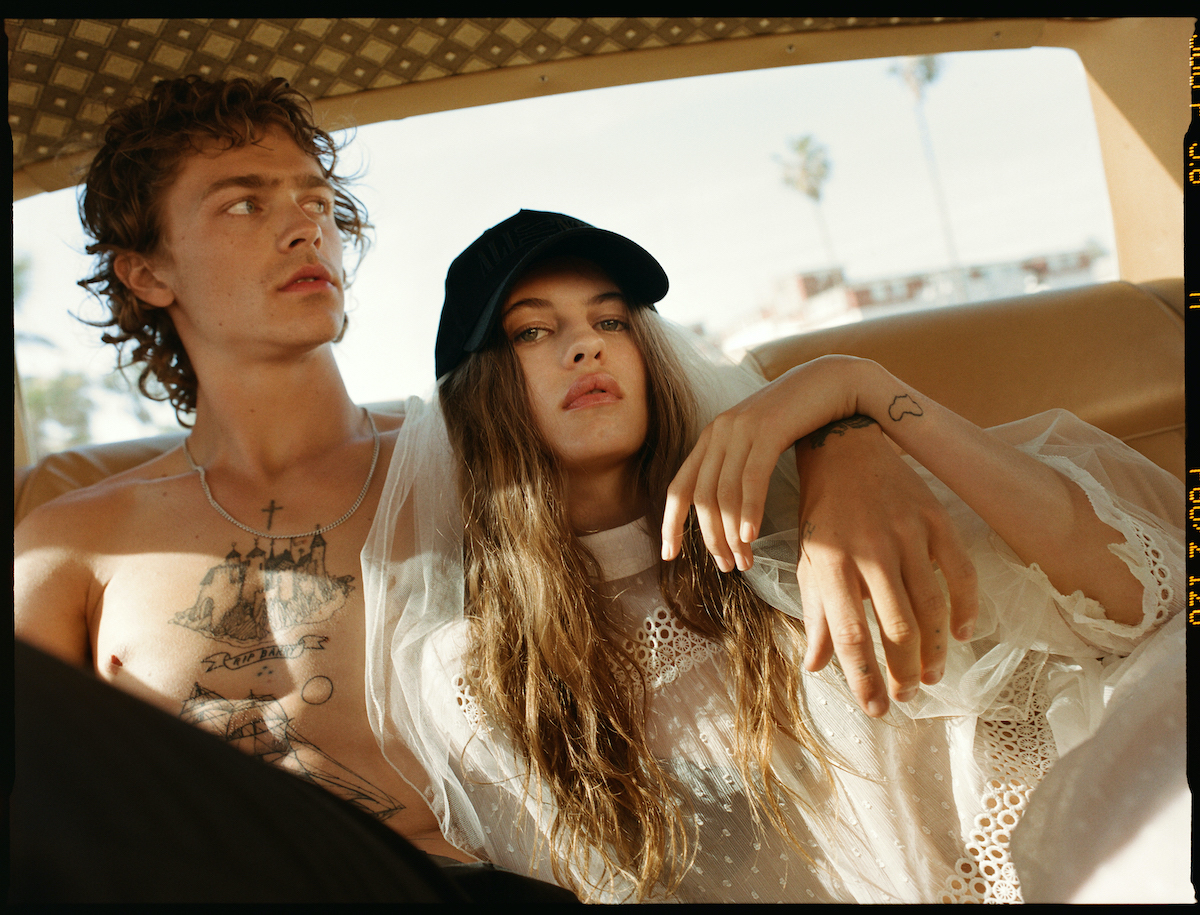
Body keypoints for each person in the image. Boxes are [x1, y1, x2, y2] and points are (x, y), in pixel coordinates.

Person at [11, 78, 959, 900]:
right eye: (244, 204)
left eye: (315, 198)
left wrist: (841, 443)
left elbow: (701, 465)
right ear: (147, 271)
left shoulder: (493, 465)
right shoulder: (70, 545)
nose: (305, 225)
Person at [361, 209, 1186, 903]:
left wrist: (851, 391)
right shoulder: (472, 671)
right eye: (534, 331)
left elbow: (1142, 599)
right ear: (478, 394)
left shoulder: (791, 528)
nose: (587, 347)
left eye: (611, 320)